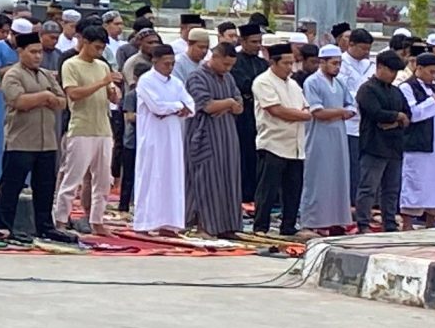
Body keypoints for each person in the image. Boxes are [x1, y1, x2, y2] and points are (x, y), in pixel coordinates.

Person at [0, 31, 67, 244]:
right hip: (21, 140)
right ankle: (4, 227)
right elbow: (18, 101)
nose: (37, 56)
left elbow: (62, 101)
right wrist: (45, 97)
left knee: (45, 187)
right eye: (33, 52)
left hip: (47, 141)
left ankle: (45, 227)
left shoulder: (45, 75)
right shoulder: (13, 75)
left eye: (40, 52)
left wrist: (48, 98)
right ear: (20, 52)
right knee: (12, 186)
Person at [53, 26, 119, 234]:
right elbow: (73, 94)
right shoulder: (70, 65)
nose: (100, 52)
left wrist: (113, 92)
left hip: (103, 128)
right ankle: (61, 219)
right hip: (81, 127)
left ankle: (97, 220)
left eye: (102, 49)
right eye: (97, 47)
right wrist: (102, 83)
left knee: (103, 179)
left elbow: (110, 95)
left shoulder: (102, 66)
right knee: (73, 177)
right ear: (85, 43)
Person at [182, 37, 244, 238]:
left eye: (231, 65)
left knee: (229, 180)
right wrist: (227, 103)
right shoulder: (197, 77)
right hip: (205, 137)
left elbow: (239, 105)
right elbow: (206, 106)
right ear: (214, 57)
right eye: (225, 64)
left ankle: (226, 226)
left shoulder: (229, 78)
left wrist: (226, 105)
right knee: (206, 181)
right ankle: (204, 226)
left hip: (227, 136)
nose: (227, 69)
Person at [248, 40, 311, 238]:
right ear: (273, 63)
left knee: (293, 189)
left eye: (292, 63)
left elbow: (306, 107)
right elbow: (276, 110)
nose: (290, 68)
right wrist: (300, 115)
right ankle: (261, 227)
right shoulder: (263, 81)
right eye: (285, 63)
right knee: (268, 188)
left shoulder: (293, 84)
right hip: (273, 142)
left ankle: (289, 226)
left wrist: (301, 114)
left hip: (296, 144)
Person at [131, 42, 193, 234]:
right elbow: (157, 107)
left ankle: (169, 223)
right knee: (150, 176)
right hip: (152, 137)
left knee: (172, 177)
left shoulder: (176, 82)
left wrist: (173, 108)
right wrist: (176, 106)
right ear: (155, 61)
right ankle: (145, 222)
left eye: (173, 63)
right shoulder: (146, 81)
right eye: (166, 63)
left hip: (173, 136)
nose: (170, 67)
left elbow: (191, 105)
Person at [299, 44, 356, 233]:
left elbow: (351, 105)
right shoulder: (312, 82)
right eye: (334, 63)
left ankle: (335, 221)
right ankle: (314, 221)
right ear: (322, 62)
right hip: (319, 137)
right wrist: (341, 112)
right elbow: (318, 112)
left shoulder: (339, 83)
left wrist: (344, 112)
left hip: (338, 136)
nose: (337, 67)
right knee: (318, 178)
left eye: (339, 63)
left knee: (338, 177)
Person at [352, 51, 411, 233]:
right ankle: (362, 223)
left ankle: (390, 223)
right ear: (380, 67)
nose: (393, 75)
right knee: (368, 187)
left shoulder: (396, 91)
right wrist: (397, 116)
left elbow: (408, 114)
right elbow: (375, 113)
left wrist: (395, 120)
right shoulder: (367, 89)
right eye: (390, 70)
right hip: (374, 146)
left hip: (394, 146)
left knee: (391, 189)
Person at [400, 51, 435, 226]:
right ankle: (408, 224)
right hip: (418, 142)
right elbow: (413, 113)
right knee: (415, 181)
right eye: (430, 72)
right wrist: (432, 102)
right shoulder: (407, 87)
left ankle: (431, 222)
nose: (434, 76)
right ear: (419, 68)